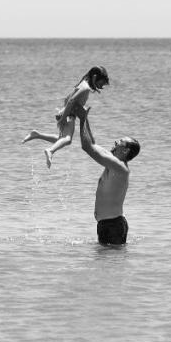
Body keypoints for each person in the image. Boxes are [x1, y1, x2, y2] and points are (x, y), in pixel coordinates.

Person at [20, 66, 110, 168]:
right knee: (67, 139)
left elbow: (68, 98)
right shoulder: (85, 87)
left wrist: (64, 111)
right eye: (100, 83)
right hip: (68, 114)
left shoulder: (85, 84)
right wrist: (63, 117)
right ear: (94, 77)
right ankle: (50, 150)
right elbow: (71, 100)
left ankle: (36, 134)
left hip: (66, 112)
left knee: (61, 139)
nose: (100, 86)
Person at [76, 105, 139, 245]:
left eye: (120, 142)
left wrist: (81, 120)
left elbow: (87, 148)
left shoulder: (120, 168)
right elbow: (92, 144)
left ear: (125, 151)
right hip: (105, 225)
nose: (115, 142)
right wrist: (85, 118)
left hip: (114, 226)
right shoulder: (112, 163)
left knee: (111, 264)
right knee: (106, 264)